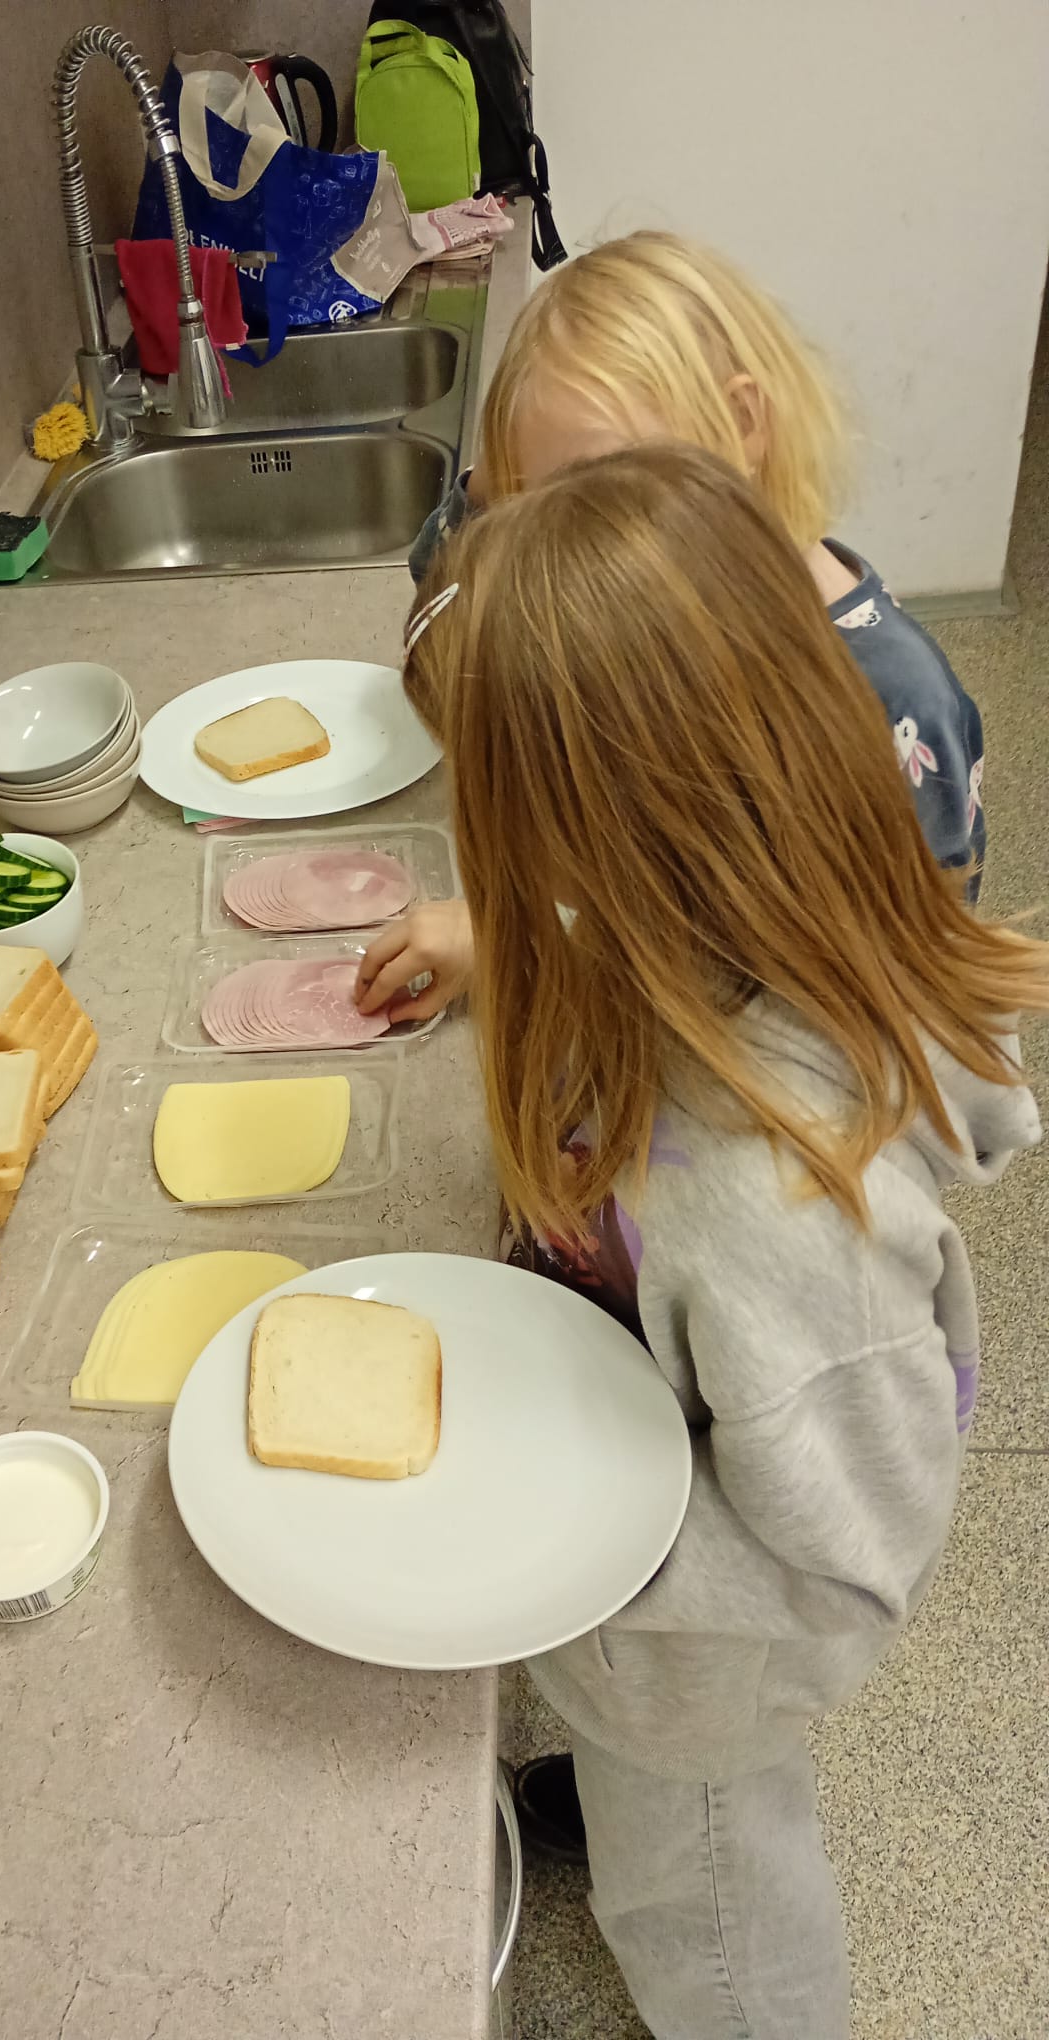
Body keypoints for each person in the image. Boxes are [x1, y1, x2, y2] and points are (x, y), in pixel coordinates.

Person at [401, 443, 1044, 2039]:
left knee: (703, 1907)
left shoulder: (771, 1214)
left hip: (697, 1666)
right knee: (664, 1831)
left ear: (627, 845)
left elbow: (842, 1564)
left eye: (507, 830)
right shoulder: (685, 941)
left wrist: (569, 1549)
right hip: (647, 1572)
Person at [359, 231, 986, 1026]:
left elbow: (880, 995)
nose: (564, 549)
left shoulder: (885, 696)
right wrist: (503, 483)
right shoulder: (640, 611)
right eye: (534, 507)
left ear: (743, 422)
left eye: (600, 492)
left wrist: (531, 945)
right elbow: (450, 578)